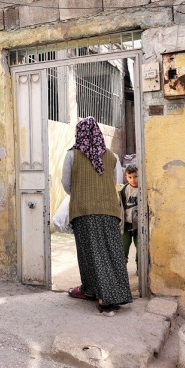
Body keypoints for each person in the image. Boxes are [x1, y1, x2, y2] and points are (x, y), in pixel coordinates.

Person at [62, 117, 133, 315]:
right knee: (111, 252)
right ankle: (99, 292)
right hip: (109, 210)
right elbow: (116, 182)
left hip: (83, 211)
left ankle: (102, 297)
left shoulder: (72, 155)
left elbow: (66, 184)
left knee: (89, 253)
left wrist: (82, 193)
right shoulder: (111, 157)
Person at [120, 164, 139, 269]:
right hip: (126, 224)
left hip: (140, 225)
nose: (133, 180)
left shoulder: (144, 189)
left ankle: (140, 268)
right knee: (123, 247)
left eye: (136, 176)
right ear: (126, 177)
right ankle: (122, 271)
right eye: (130, 177)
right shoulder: (123, 190)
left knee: (141, 248)